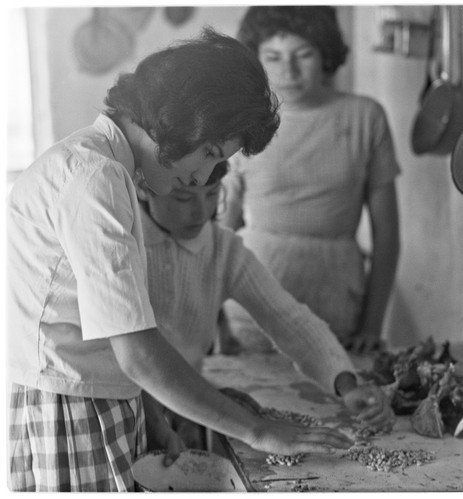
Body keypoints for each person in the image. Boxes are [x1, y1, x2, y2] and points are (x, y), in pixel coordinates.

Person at [7, 28, 358, 493]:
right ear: (175, 120)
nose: (202, 178)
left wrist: (148, 411)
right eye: (210, 154)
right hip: (70, 406)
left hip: (95, 397)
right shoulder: (95, 178)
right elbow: (139, 356)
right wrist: (259, 431)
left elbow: (110, 334)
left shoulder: (102, 169)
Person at [136, 160, 395, 461]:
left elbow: (290, 320)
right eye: (183, 198)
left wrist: (346, 384)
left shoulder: (223, 248)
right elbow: (128, 355)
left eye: (212, 194)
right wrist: (154, 419)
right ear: (146, 188)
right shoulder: (125, 241)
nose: (201, 211)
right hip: (124, 407)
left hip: (191, 401)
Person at [220, 6, 401, 355]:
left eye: (303, 54)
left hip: (337, 302)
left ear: (327, 55)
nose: (288, 70)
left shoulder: (366, 117)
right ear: (256, 61)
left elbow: (388, 234)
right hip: (250, 303)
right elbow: (219, 231)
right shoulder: (243, 121)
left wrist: (372, 324)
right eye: (273, 56)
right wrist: (213, 321)